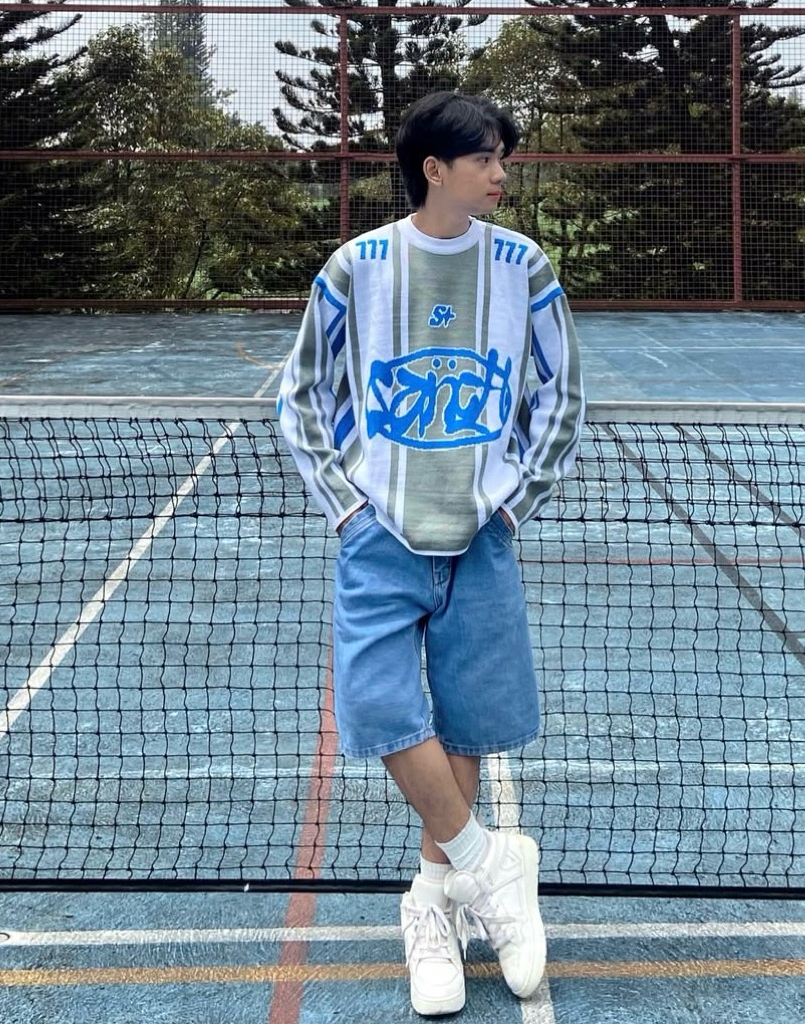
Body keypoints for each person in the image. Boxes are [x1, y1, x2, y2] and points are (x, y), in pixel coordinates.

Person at [278, 90, 584, 1016]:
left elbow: (561, 396)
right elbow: (301, 394)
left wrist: (512, 506)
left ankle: (433, 906)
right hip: (380, 532)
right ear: (434, 169)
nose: (501, 173)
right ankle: (490, 865)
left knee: (463, 722)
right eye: (486, 157)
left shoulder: (523, 266)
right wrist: (346, 510)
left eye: (503, 157)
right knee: (377, 706)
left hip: (481, 534)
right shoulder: (357, 266)